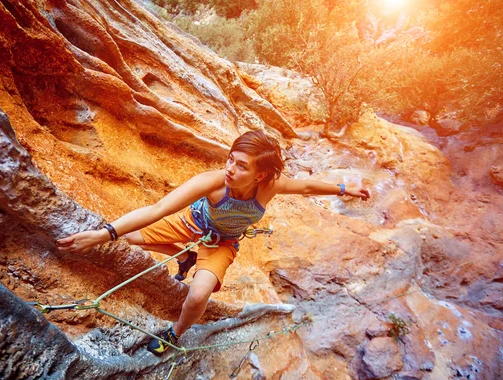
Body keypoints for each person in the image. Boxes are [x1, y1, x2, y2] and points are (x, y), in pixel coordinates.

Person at [56, 130, 370, 356]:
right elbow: (157, 210)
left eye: (242, 165)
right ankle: (184, 258)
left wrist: (344, 189)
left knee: (198, 295)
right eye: (231, 160)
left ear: (260, 176)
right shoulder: (213, 182)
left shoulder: (270, 187)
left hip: (222, 244)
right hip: (190, 223)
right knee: (126, 239)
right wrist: (103, 233)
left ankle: (175, 333)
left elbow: (307, 187)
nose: (231, 169)